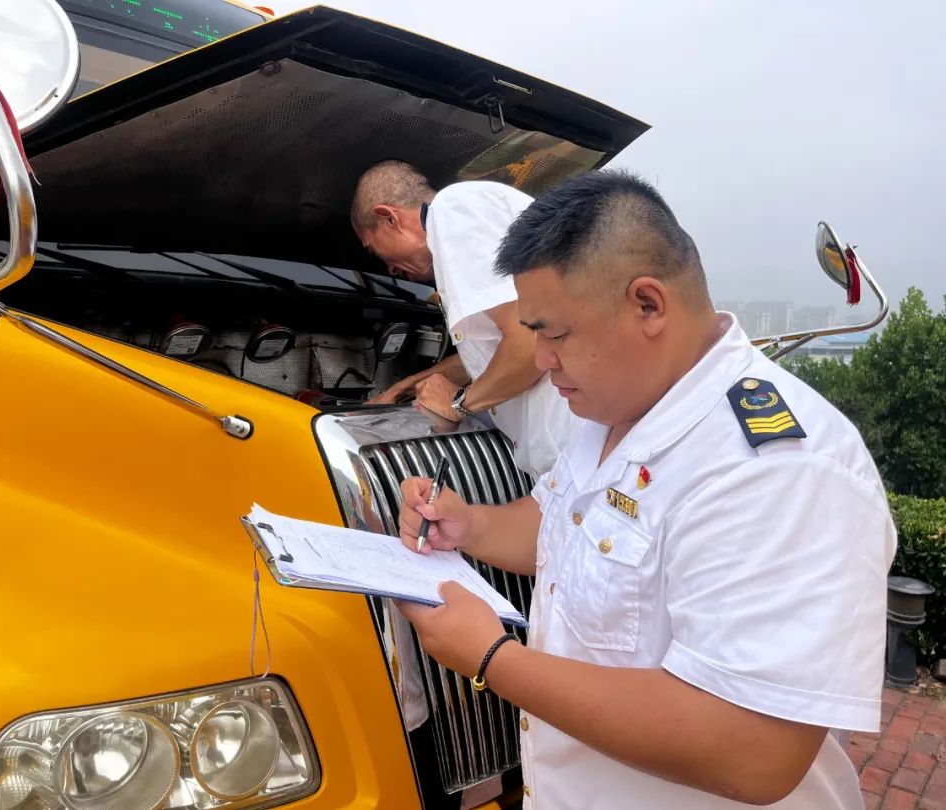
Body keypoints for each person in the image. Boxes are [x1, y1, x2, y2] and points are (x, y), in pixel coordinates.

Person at [394, 170, 896, 808]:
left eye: (555, 332)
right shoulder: (614, 409)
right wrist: (470, 525)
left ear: (648, 304)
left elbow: (755, 751)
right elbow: (561, 526)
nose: (541, 361)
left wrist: (494, 657)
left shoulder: (777, 468)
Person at [351, 160, 574, 478]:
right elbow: (497, 350)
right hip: (565, 457)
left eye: (374, 250)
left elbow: (528, 342)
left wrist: (459, 404)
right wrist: (402, 390)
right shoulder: (462, 223)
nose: (389, 269)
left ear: (388, 218)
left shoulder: (453, 212)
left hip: (575, 450)